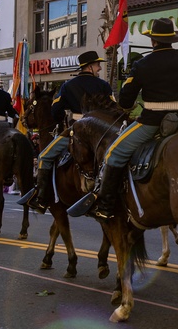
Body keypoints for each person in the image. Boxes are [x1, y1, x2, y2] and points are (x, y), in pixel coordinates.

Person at [83, 8, 178, 221]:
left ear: (153, 41)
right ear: (172, 40)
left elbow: (125, 100)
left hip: (153, 122)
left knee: (113, 154)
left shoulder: (142, 65)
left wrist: (128, 106)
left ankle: (106, 206)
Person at [19, 51, 113, 213]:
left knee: (44, 156)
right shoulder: (103, 85)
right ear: (89, 67)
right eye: (97, 65)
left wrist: (63, 117)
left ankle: (41, 197)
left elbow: (55, 111)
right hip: (102, 133)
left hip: (78, 130)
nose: (99, 68)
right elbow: (113, 108)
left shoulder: (68, 86)